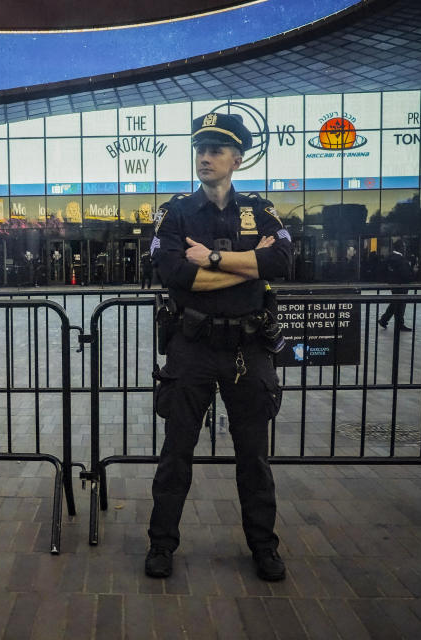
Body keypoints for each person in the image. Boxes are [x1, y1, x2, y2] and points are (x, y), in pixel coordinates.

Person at [146, 113, 291, 582]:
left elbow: (283, 260)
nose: (205, 157)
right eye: (200, 149)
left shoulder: (259, 209)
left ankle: (263, 547)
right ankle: (161, 544)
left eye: (216, 149)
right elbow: (172, 272)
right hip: (192, 346)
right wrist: (249, 266)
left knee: (253, 457)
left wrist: (211, 258)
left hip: (249, 347)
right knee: (176, 454)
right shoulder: (176, 211)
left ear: (238, 159)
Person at [378, 239, 413, 332]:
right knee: (400, 304)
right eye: (404, 246)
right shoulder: (400, 259)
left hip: (393, 283)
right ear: (400, 247)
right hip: (401, 284)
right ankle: (399, 324)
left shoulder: (390, 257)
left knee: (395, 302)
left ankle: (384, 319)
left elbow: (383, 270)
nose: (405, 248)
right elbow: (405, 273)